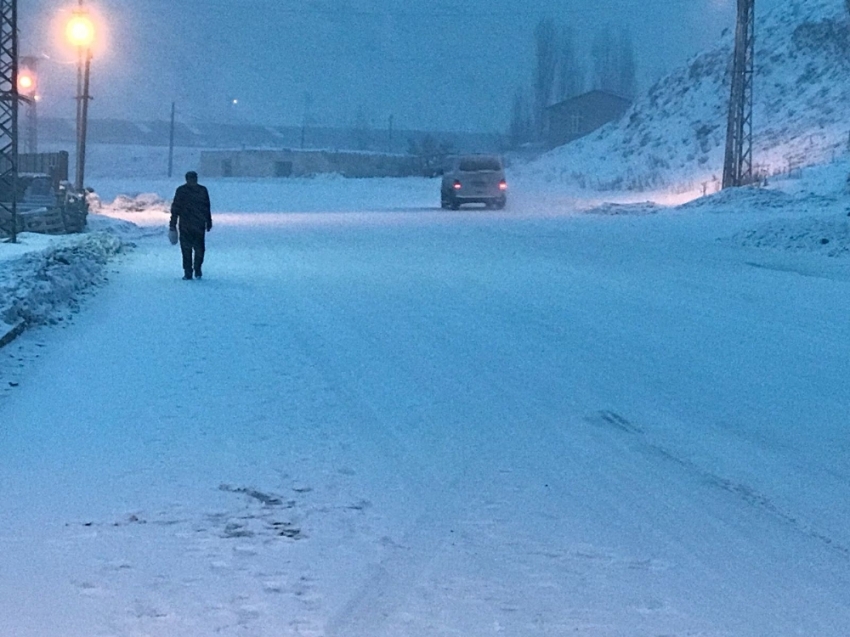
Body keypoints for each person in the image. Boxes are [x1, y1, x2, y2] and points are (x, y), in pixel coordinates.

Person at [169, 171, 212, 280]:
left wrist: (208, 220)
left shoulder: (184, 190)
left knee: (191, 249)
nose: (193, 181)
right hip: (193, 224)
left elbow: (206, 206)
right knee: (193, 249)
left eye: (194, 178)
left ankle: (193, 270)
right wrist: (173, 224)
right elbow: (176, 208)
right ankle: (191, 270)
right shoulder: (200, 190)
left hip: (190, 224)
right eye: (192, 179)